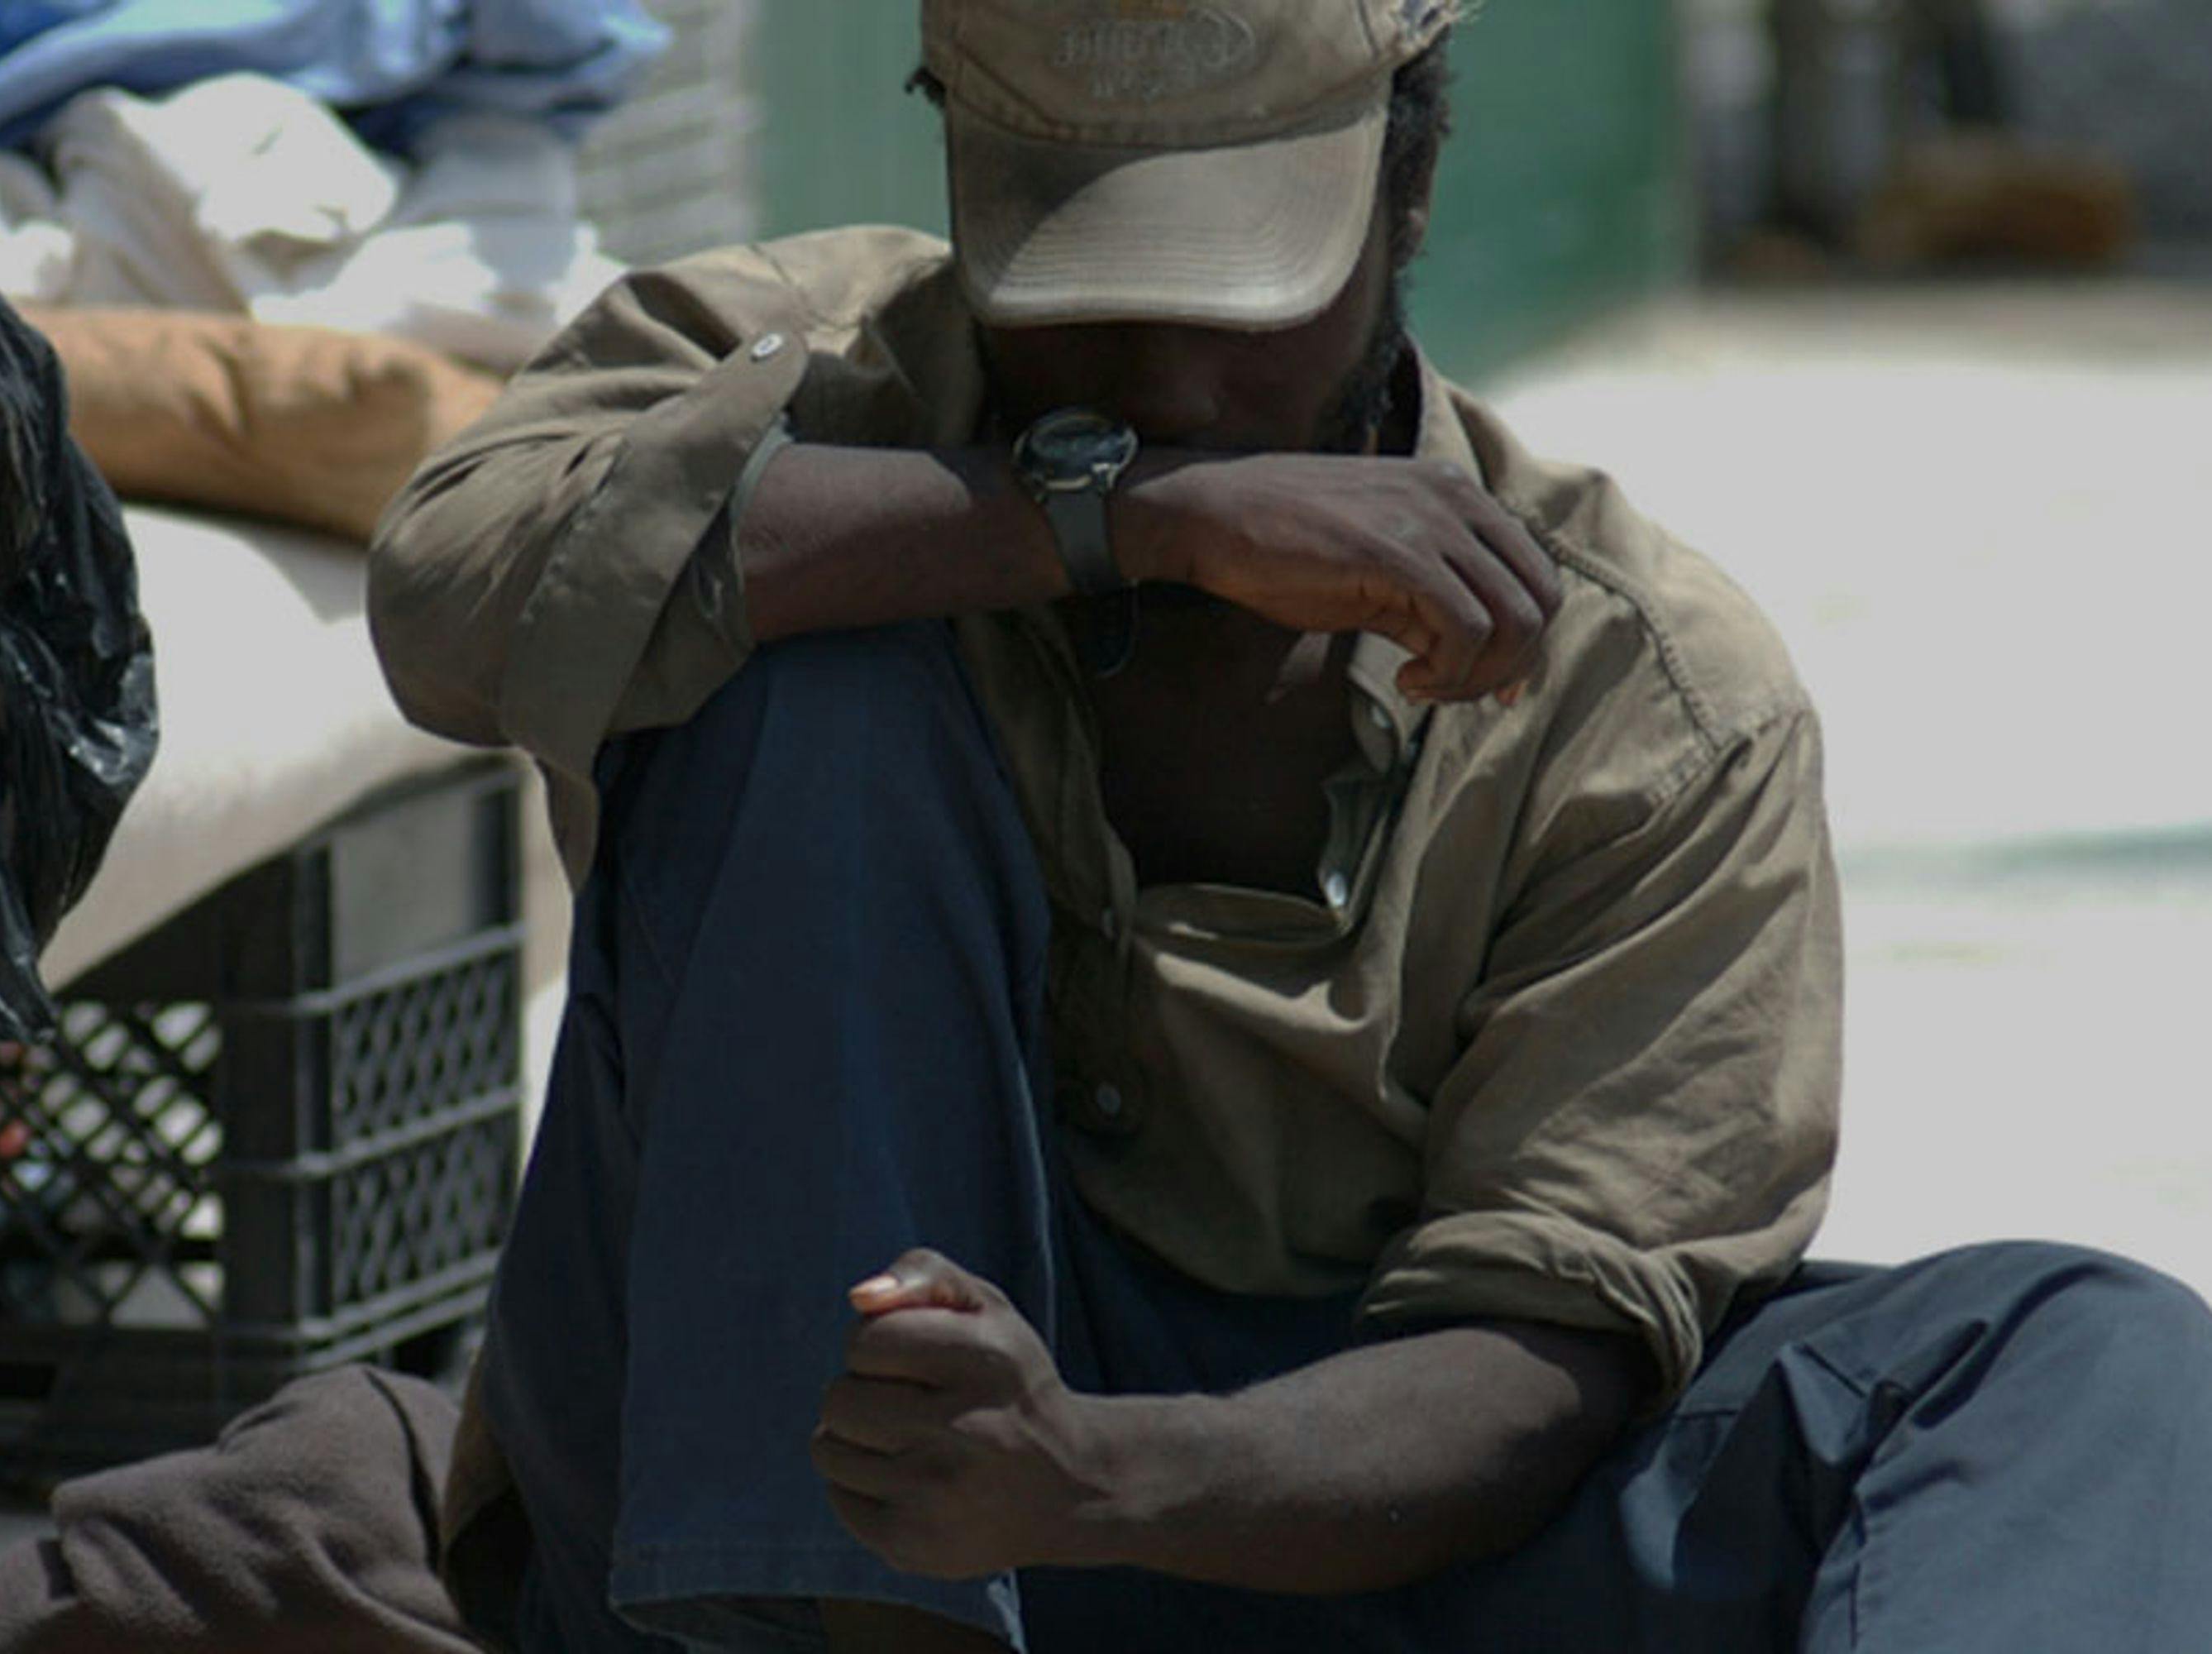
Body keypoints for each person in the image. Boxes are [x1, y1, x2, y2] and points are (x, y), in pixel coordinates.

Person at [368, 2, 2212, 1648]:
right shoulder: (775, 365)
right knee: (806, 677)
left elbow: (1536, 1365)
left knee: (2086, 1357)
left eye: (1241, 300)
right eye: (1082, 288)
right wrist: (1116, 516)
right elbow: (450, 594)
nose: (1166, 375)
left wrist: (1094, 1471)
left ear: (1406, 199)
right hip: (818, 1486)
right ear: (961, 160)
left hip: (1331, 1501)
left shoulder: (1647, 692)